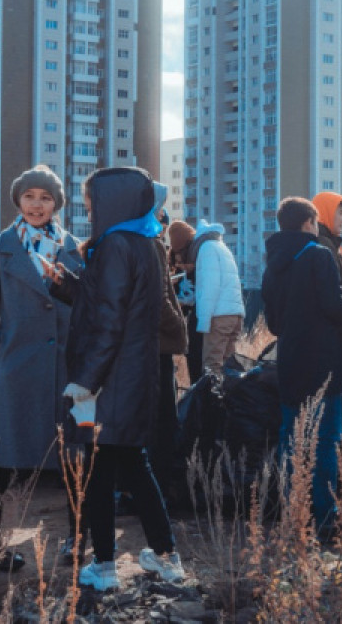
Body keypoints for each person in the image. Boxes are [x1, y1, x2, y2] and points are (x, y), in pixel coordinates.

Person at [60, 166, 184, 591]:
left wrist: (85, 380)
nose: (88, 206)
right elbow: (116, 307)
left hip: (108, 379)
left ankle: (106, 566)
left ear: (112, 200)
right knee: (133, 464)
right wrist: (67, 284)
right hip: (133, 376)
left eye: (91, 198)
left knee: (98, 468)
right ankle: (167, 556)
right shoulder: (147, 243)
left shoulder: (113, 245)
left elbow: (108, 321)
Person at [0, 164, 84, 572]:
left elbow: (85, 304)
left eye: (46, 198)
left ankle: (77, 540)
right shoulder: (0, 248)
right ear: (18, 200)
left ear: (57, 204)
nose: (37, 205)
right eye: (30, 196)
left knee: (75, 458)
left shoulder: (72, 246)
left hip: (66, 371)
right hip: (18, 369)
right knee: (1, 460)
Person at [262, 197, 342, 531]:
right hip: (322, 361)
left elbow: (272, 323)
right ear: (309, 223)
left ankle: (293, 512)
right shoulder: (319, 255)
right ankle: (325, 517)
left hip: (289, 362)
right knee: (326, 439)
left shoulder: (273, 261)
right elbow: (334, 308)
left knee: (292, 439)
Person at [151, 186, 189, 500]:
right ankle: (158, 489)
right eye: (160, 208)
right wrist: (179, 327)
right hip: (157, 347)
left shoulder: (153, 243)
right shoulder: (150, 245)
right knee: (162, 421)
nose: (164, 215)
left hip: (153, 347)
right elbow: (157, 299)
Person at [191, 219, 245, 375]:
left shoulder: (207, 249)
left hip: (218, 316)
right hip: (235, 315)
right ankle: (228, 399)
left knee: (211, 367)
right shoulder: (222, 247)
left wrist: (203, 322)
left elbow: (210, 288)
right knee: (228, 367)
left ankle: (210, 399)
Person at [168, 220, 204, 383]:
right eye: (176, 255)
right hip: (189, 327)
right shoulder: (176, 267)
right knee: (193, 367)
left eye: (182, 252)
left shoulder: (201, 260)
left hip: (202, 324)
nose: (181, 261)